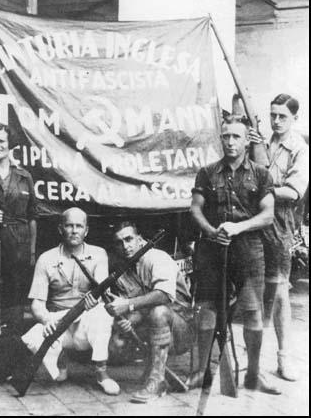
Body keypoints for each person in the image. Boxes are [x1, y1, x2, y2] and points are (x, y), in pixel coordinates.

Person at [190, 115, 281, 394]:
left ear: (246, 140)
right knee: (207, 310)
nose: (230, 142)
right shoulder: (207, 173)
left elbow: (267, 215)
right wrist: (209, 231)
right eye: (226, 136)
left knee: (253, 312)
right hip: (212, 250)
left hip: (248, 251)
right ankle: (201, 372)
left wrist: (239, 227)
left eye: (236, 137)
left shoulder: (261, 174)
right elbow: (195, 208)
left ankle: (253, 374)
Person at [20, 207, 120, 395]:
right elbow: (37, 304)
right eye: (69, 226)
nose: (74, 230)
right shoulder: (46, 259)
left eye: (79, 226)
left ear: (86, 230)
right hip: (58, 323)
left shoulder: (99, 254)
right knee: (34, 338)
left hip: (86, 321)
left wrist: (93, 302)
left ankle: (101, 373)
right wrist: (46, 320)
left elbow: (102, 292)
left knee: (101, 313)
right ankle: (60, 362)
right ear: (60, 229)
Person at [249, 94, 309, 381]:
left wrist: (263, 189)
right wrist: (253, 144)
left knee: (279, 293)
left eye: (282, 116)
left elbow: (294, 191)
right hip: (253, 221)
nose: (276, 121)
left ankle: (284, 357)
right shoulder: (262, 140)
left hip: (280, 224)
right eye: (272, 115)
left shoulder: (300, 149)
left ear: (295, 118)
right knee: (251, 290)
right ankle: (252, 362)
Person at [105, 221, 194, 403]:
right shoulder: (122, 270)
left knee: (159, 312)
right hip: (151, 327)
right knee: (117, 344)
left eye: (129, 239)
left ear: (140, 239)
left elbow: (163, 296)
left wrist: (128, 305)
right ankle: (152, 367)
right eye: (119, 242)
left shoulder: (156, 257)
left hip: (181, 331)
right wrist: (128, 320)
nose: (125, 246)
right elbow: (136, 308)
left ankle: (157, 381)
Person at [0, 122, 37, 332]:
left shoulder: (24, 176)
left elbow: (32, 216)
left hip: (18, 248)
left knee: (16, 298)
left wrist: (31, 253)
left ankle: (12, 346)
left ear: (9, 143)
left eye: (1, 141)